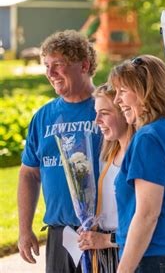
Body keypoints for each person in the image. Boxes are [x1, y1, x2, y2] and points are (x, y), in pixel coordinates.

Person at [108, 55, 165, 273]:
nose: (117, 100)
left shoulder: (149, 138)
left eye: (123, 91)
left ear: (146, 91)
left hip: (156, 258)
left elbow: (147, 215)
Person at [17, 30, 102, 273]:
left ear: (84, 65)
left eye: (58, 65)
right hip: (60, 235)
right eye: (46, 65)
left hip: (102, 236)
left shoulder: (107, 109)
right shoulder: (43, 117)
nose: (50, 73)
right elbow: (28, 174)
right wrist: (24, 230)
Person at [78, 83, 135, 272]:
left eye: (104, 113)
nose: (96, 121)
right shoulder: (109, 155)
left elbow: (147, 219)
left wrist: (107, 240)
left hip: (128, 252)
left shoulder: (137, 157)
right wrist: (94, 227)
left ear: (124, 112)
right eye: (96, 113)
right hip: (105, 254)